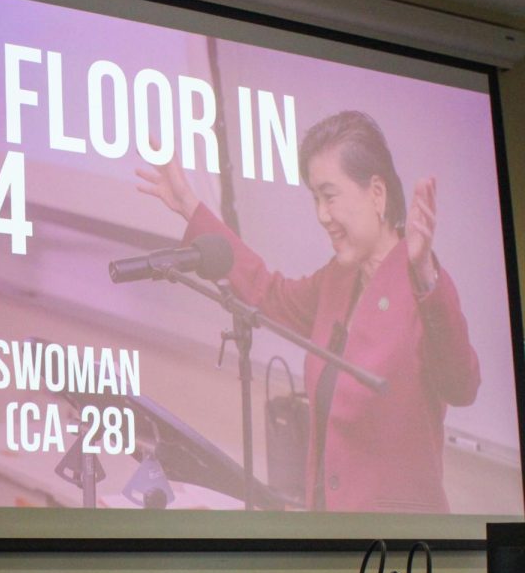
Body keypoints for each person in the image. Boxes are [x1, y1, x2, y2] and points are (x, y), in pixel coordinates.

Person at [135, 110, 480, 512]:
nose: (321, 215)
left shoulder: (425, 285)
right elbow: (266, 291)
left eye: (330, 196)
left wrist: (424, 276)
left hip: (399, 553)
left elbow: (463, 385)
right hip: (330, 540)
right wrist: (190, 207)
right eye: (315, 198)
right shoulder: (337, 279)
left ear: (377, 194)